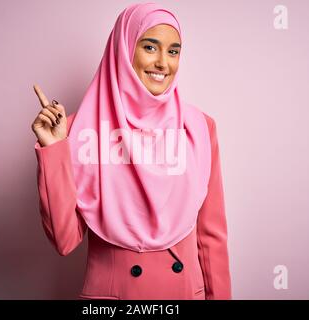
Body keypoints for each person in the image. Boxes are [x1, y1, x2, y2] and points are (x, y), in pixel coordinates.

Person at [30, 2, 231, 300]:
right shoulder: (77, 129)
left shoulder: (199, 127)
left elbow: (211, 236)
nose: (164, 62)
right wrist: (54, 148)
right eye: (150, 47)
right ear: (123, 50)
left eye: (173, 51)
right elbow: (65, 241)